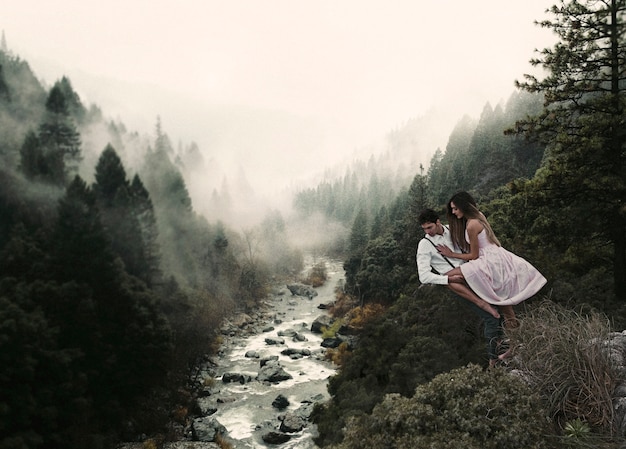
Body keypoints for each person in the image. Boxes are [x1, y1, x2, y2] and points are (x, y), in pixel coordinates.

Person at [437, 191, 547, 328]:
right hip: (496, 256)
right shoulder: (479, 216)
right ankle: (515, 339)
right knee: (505, 304)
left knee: (446, 277)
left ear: (464, 206)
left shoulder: (471, 225)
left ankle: (481, 302)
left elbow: (474, 256)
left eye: (455, 208)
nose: (453, 212)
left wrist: (451, 254)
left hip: (487, 260)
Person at [416, 208, 507, 366]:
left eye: (429, 227)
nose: (427, 232)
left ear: (438, 222)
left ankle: (501, 346)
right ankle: (494, 361)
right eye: (424, 229)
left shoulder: (452, 229)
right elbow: (423, 276)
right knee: (491, 316)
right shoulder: (425, 245)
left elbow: (470, 248)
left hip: (475, 274)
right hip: (457, 283)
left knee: (501, 305)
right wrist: (447, 279)